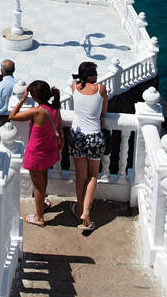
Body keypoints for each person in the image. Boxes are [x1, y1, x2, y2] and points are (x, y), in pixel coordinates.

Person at [9, 80, 63, 226]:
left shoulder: (36, 111)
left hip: (36, 153)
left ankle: (39, 217)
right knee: (43, 179)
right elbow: (60, 124)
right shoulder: (54, 108)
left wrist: (22, 100)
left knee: (37, 186)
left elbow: (12, 116)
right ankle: (42, 205)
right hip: (48, 150)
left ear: (36, 97)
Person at [68, 61, 107, 232]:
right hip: (94, 136)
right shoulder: (101, 89)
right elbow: (103, 112)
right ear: (91, 76)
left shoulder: (74, 86)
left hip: (77, 135)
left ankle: (78, 208)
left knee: (80, 176)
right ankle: (85, 212)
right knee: (93, 176)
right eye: (96, 75)